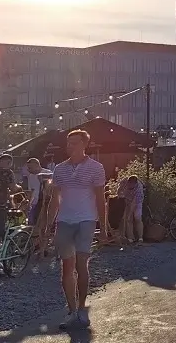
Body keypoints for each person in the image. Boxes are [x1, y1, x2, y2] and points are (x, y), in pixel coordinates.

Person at [48, 130, 110, 331]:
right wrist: (48, 225)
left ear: (85, 144)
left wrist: (103, 227)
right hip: (64, 220)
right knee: (67, 267)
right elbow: (54, 199)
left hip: (86, 220)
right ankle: (72, 310)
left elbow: (100, 199)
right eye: (68, 143)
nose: (70, 146)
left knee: (82, 265)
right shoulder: (59, 169)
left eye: (74, 143)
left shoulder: (96, 168)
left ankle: (82, 307)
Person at [20, 158, 52, 226]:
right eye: (28, 168)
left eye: (30, 168)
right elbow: (31, 191)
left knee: (43, 222)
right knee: (32, 222)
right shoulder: (31, 176)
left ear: (37, 165)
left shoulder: (48, 173)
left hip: (45, 202)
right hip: (34, 203)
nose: (29, 170)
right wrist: (29, 203)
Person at [118, 176, 144, 244]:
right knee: (128, 220)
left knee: (137, 217)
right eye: (129, 183)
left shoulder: (139, 188)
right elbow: (119, 190)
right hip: (127, 200)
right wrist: (120, 195)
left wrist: (130, 214)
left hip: (137, 202)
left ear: (135, 184)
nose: (130, 185)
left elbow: (134, 203)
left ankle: (140, 238)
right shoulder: (124, 182)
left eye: (132, 184)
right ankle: (130, 238)